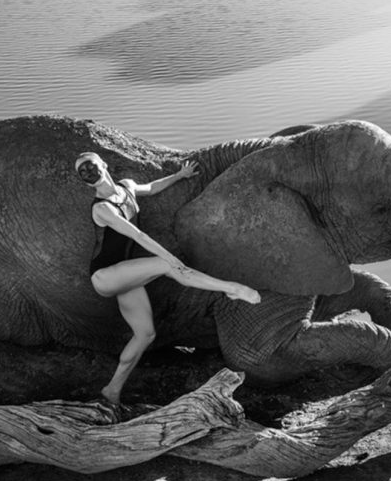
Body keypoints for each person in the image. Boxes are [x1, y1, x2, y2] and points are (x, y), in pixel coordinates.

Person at [74, 152, 260, 407]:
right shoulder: (102, 208)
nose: (87, 173)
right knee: (164, 265)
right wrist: (169, 258)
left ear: (102, 164)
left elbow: (150, 188)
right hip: (105, 276)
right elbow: (137, 235)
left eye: (89, 166)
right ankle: (232, 289)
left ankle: (112, 390)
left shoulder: (126, 187)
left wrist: (180, 175)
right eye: (81, 172)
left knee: (145, 334)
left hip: (127, 273)